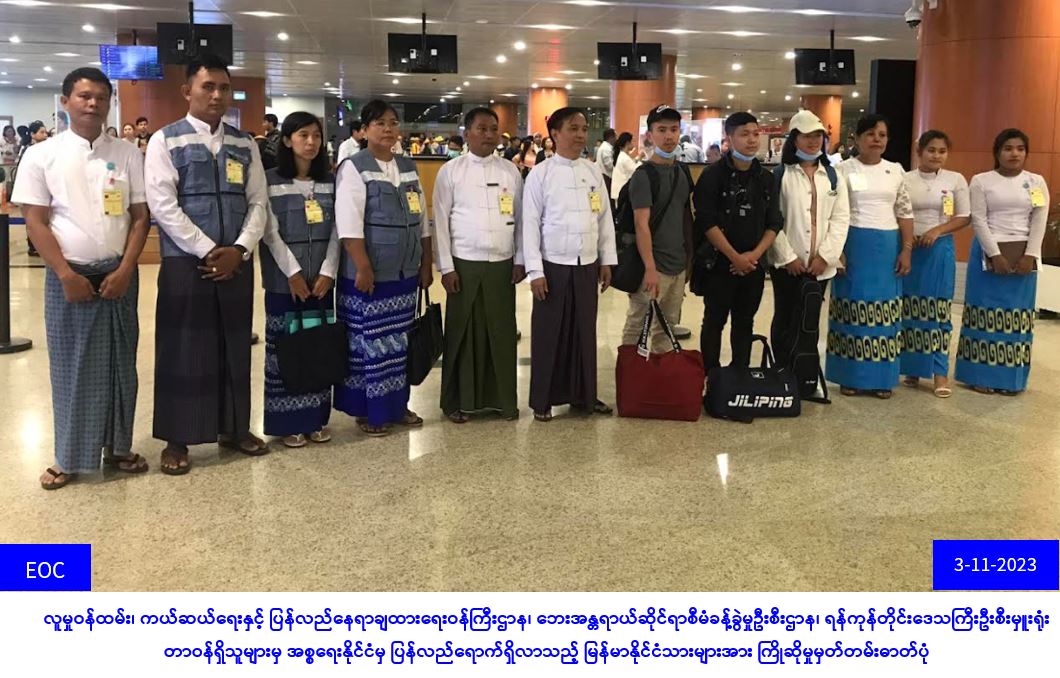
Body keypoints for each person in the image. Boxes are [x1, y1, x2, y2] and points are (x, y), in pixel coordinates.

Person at [12, 67, 150, 490]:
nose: (93, 103)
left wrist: (126, 269)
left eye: (101, 97)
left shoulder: (127, 154)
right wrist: (64, 274)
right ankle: (68, 457)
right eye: (84, 96)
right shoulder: (42, 155)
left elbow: (140, 217)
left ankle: (119, 448)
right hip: (69, 278)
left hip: (119, 277)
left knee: (121, 367)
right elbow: (34, 220)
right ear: (65, 101)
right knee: (71, 368)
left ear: (110, 103)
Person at [145, 53, 270, 475]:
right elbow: (163, 205)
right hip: (186, 263)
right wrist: (206, 249)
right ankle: (177, 438)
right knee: (184, 349)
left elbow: (258, 202)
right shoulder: (166, 141)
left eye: (224, 88)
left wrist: (240, 249)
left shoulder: (244, 143)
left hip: (236, 261)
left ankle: (234, 429)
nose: (217, 95)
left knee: (234, 345)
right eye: (208, 87)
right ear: (187, 91)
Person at [334, 99, 433, 436]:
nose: (388, 129)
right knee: (369, 346)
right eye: (380, 123)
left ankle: (396, 405)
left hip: (404, 274)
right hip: (369, 275)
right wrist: (363, 267)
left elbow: (422, 219)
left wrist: (426, 262)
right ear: (364, 130)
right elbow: (349, 223)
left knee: (399, 347)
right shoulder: (354, 167)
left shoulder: (408, 166)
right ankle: (368, 411)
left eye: (393, 122)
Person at [522, 107, 617, 422]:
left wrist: (606, 259)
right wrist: (535, 272)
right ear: (555, 134)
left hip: (587, 263)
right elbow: (530, 225)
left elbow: (604, 220)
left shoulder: (592, 171)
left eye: (584, 129)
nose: (580, 135)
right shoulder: (541, 174)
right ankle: (543, 400)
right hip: (553, 265)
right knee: (549, 333)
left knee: (584, 333)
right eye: (573, 128)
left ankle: (583, 396)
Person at [433, 108, 524, 423]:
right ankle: (457, 402)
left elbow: (521, 220)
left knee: (501, 333)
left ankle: (503, 402)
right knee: (462, 333)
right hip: (464, 264)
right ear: (467, 133)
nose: (489, 135)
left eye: (493, 129)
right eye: (482, 128)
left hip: (502, 264)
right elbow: (440, 221)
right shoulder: (451, 171)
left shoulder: (510, 171)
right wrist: (446, 267)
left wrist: (520, 259)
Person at [258, 111, 340, 447]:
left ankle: (315, 418)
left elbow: (339, 229)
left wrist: (328, 271)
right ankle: (288, 421)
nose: (311, 142)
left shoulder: (330, 181)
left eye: (316, 136)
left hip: (320, 281)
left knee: (318, 347)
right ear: (287, 140)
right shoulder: (269, 180)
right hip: (284, 282)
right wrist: (292, 273)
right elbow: (269, 232)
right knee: (286, 348)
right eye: (303, 135)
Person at [827, 114, 914, 399]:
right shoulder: (842, 169)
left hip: (888, 247)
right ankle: (849, 376)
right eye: (871, 134)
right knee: (852, 310)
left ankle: (882, 378)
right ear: (857, 138)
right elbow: (832, 213)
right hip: (853, 244)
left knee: (884, 313)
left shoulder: (896, 170)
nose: (877, 139)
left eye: (882, 135)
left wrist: (906, 249)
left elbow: (905, 212)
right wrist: (837, 252)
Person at [955, 128, 1047, 395]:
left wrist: (1030, 254)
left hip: (1024, 256)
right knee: (984, 316)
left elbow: (1039, 219)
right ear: (997, 153)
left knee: (1015, 320)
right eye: (1008, 148)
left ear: (1026, 153)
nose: (1014, 153)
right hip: (987, 254)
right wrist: (995, 254)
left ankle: (1011, 380)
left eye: (1020, 148)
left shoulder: (1036, 181)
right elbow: (978, 219)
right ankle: (979, 376)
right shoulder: (981, 181)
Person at [692, 112, 781, 377]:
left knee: (745, 322)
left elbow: (774, 222)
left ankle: (739, 376)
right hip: (719, 264)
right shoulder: (712, 175)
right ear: (729, 138)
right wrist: (734, 257)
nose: (752, 140)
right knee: (714, 321)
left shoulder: (765, 177)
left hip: (753, 266)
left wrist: (753, 256)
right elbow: (706, 221)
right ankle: (711, 376)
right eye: (744, 134)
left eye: (755, 133)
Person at [769, 110, 850, 364]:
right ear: (794, 139)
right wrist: (787, 257)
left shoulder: (834, 176)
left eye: (818, 136)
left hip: (820, 265)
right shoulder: (780, 175)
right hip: (787, 265)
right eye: (806, 136)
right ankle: (782, 372)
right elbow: (772, 220)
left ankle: (803, 371)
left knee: (810, 319)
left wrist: (826, 256)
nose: (813, 141)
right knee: (784, 317)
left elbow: (841, 219)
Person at [899, 130, 971, 398]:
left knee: (939, 310)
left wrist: (937, 231)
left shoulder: (955, 179)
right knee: (910, 309)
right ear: (919, 151)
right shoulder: (905, 178)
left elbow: (964, 216)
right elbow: (897, 212)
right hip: (909, 248)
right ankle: (912, 369)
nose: (937, 155)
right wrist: (908, 239)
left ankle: (940, 373)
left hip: (939, 249)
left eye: (942, 151)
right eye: (931, 150)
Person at [621, 106, 694, 353]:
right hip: (652, 267)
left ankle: (660, 373)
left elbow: (685, 217)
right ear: (649, 135)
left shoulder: (682, 171)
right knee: (637, 325)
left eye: (673, 129)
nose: (669, 136)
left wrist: (688, 261)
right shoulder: (644, 175)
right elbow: (641, 224)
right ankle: (631, 373)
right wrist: (650, 268)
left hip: (678, 265)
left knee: (667, 327)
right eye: (661, 130)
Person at [609, 132, 638, 205]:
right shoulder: (624, 158)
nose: (634, 144)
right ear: (628, 143)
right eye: (633, 141)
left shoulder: (622, 155)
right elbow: (636, 170)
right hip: (622, 191)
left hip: (619, 191)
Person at [595, 128, 616, 198]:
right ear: (611, 137)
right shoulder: (606, 149)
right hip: (607, 177)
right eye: (615, 136)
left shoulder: (606, 147)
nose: (616, 139)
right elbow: (609, 166)